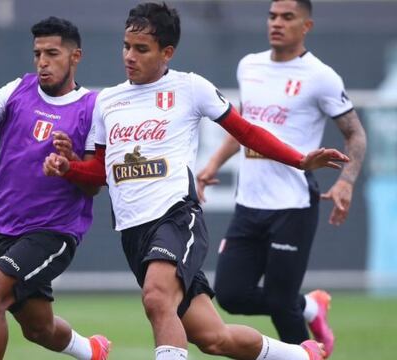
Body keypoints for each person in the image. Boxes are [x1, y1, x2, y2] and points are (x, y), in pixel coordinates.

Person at [43, 2, 349, 360]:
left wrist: (299, 159)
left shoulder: (190, 88)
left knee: (157, 298)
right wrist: (69, 169)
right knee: (214, 338)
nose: (129, 55)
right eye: (126, 46)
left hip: (176, 218)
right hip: (133, 232)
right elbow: (101, 172)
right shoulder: (106, 102)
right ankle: (303, 355)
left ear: (167, 52)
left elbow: (246, 131)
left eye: (141, 49)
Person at [195, 0, 367, 357]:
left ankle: (305, 347)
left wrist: (346, 182)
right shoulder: (249, 66)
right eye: (272, 16)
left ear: (306, 27)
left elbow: (355, 134)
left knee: (280, 300)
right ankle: (312, 308)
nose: (277, 23)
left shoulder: (321, 77)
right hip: (249, 205)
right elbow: (244, 126)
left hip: (292, 206)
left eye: (288, 17)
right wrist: (212, 165)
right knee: (229, 294)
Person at [0, 17, 110, 360]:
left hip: (52, 231)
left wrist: (69, 165)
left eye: (52, 53)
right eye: (37, 54)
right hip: (5, 226)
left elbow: (95, 184)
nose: (42, 62)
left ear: (75, 56)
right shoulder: (18, 89)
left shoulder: (92, 108)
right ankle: (92, 351)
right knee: (38, 328)